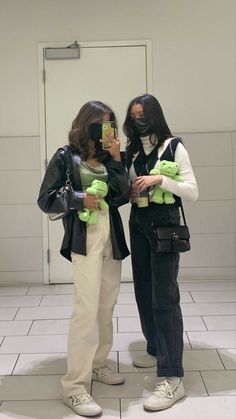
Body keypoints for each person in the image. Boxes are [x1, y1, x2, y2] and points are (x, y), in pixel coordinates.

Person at [37, 101, 130, 417]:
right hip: (85, 237)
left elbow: (121, 195)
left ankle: (99, 363)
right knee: (86, 309)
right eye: (100, 124)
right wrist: (79, 199)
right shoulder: (66, 156)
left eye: (110, 124)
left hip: (111, 235)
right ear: (86, 123)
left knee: (106, 305)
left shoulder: (109, 156)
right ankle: (74, 386)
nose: (106, 129)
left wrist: (117, 159)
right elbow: (46, 199)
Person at [123, 94, 198, 411]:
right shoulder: (133, 151)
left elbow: (192, 192)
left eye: (142, 114)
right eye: (133, 115)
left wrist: (160, 179)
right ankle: (156, 348)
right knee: (143, 290)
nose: (138, 119)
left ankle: (172, 378)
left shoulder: (173, 146)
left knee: (164, 297)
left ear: (154, 116)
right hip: (139, 225)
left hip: (165, 228)